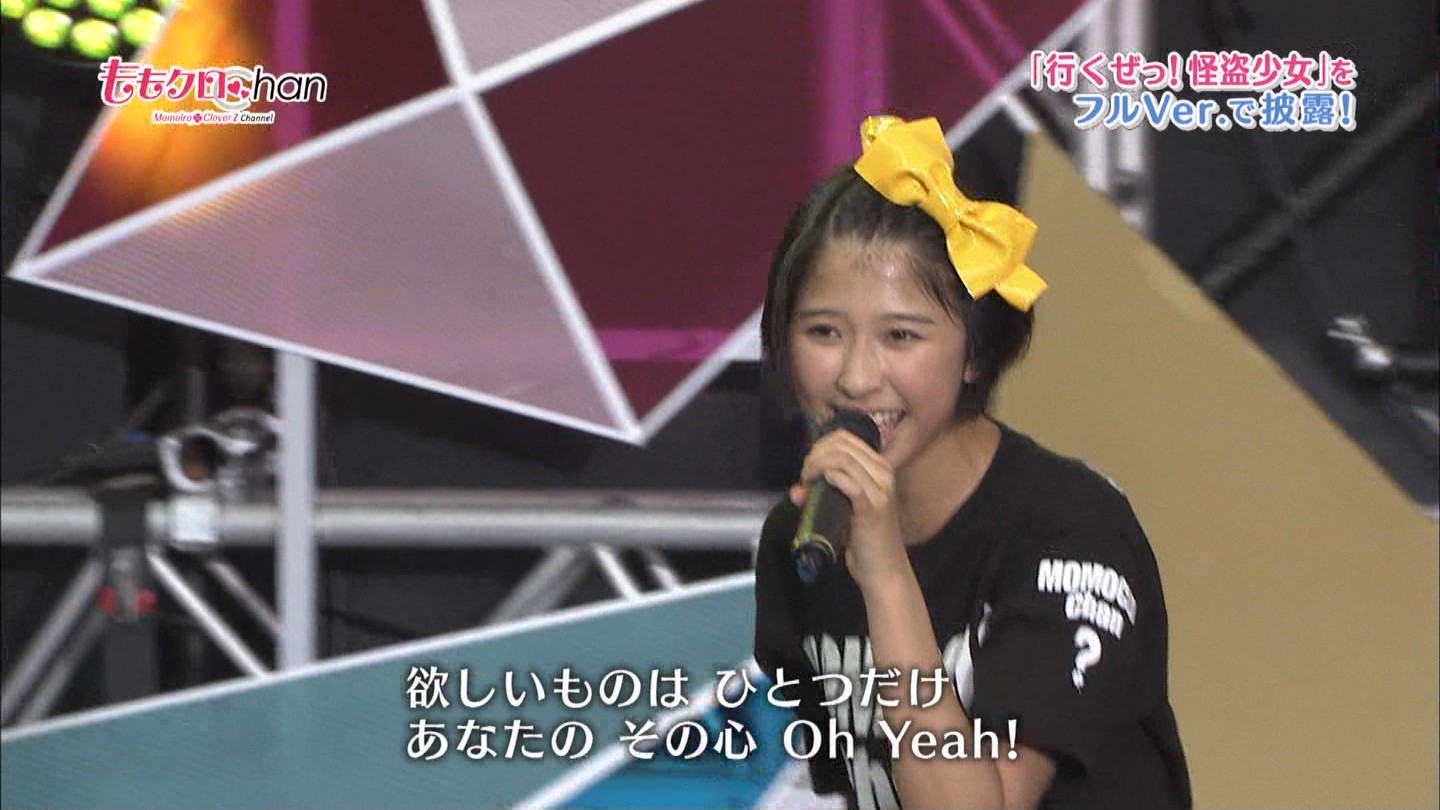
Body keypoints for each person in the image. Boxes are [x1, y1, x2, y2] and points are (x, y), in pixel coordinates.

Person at [752, 115, 1191, 810]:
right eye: (824, 332)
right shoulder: (802, 537)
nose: (857, 378)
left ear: (975, 354)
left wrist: (885, 574)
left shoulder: (1071, 527)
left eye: (901, 336)